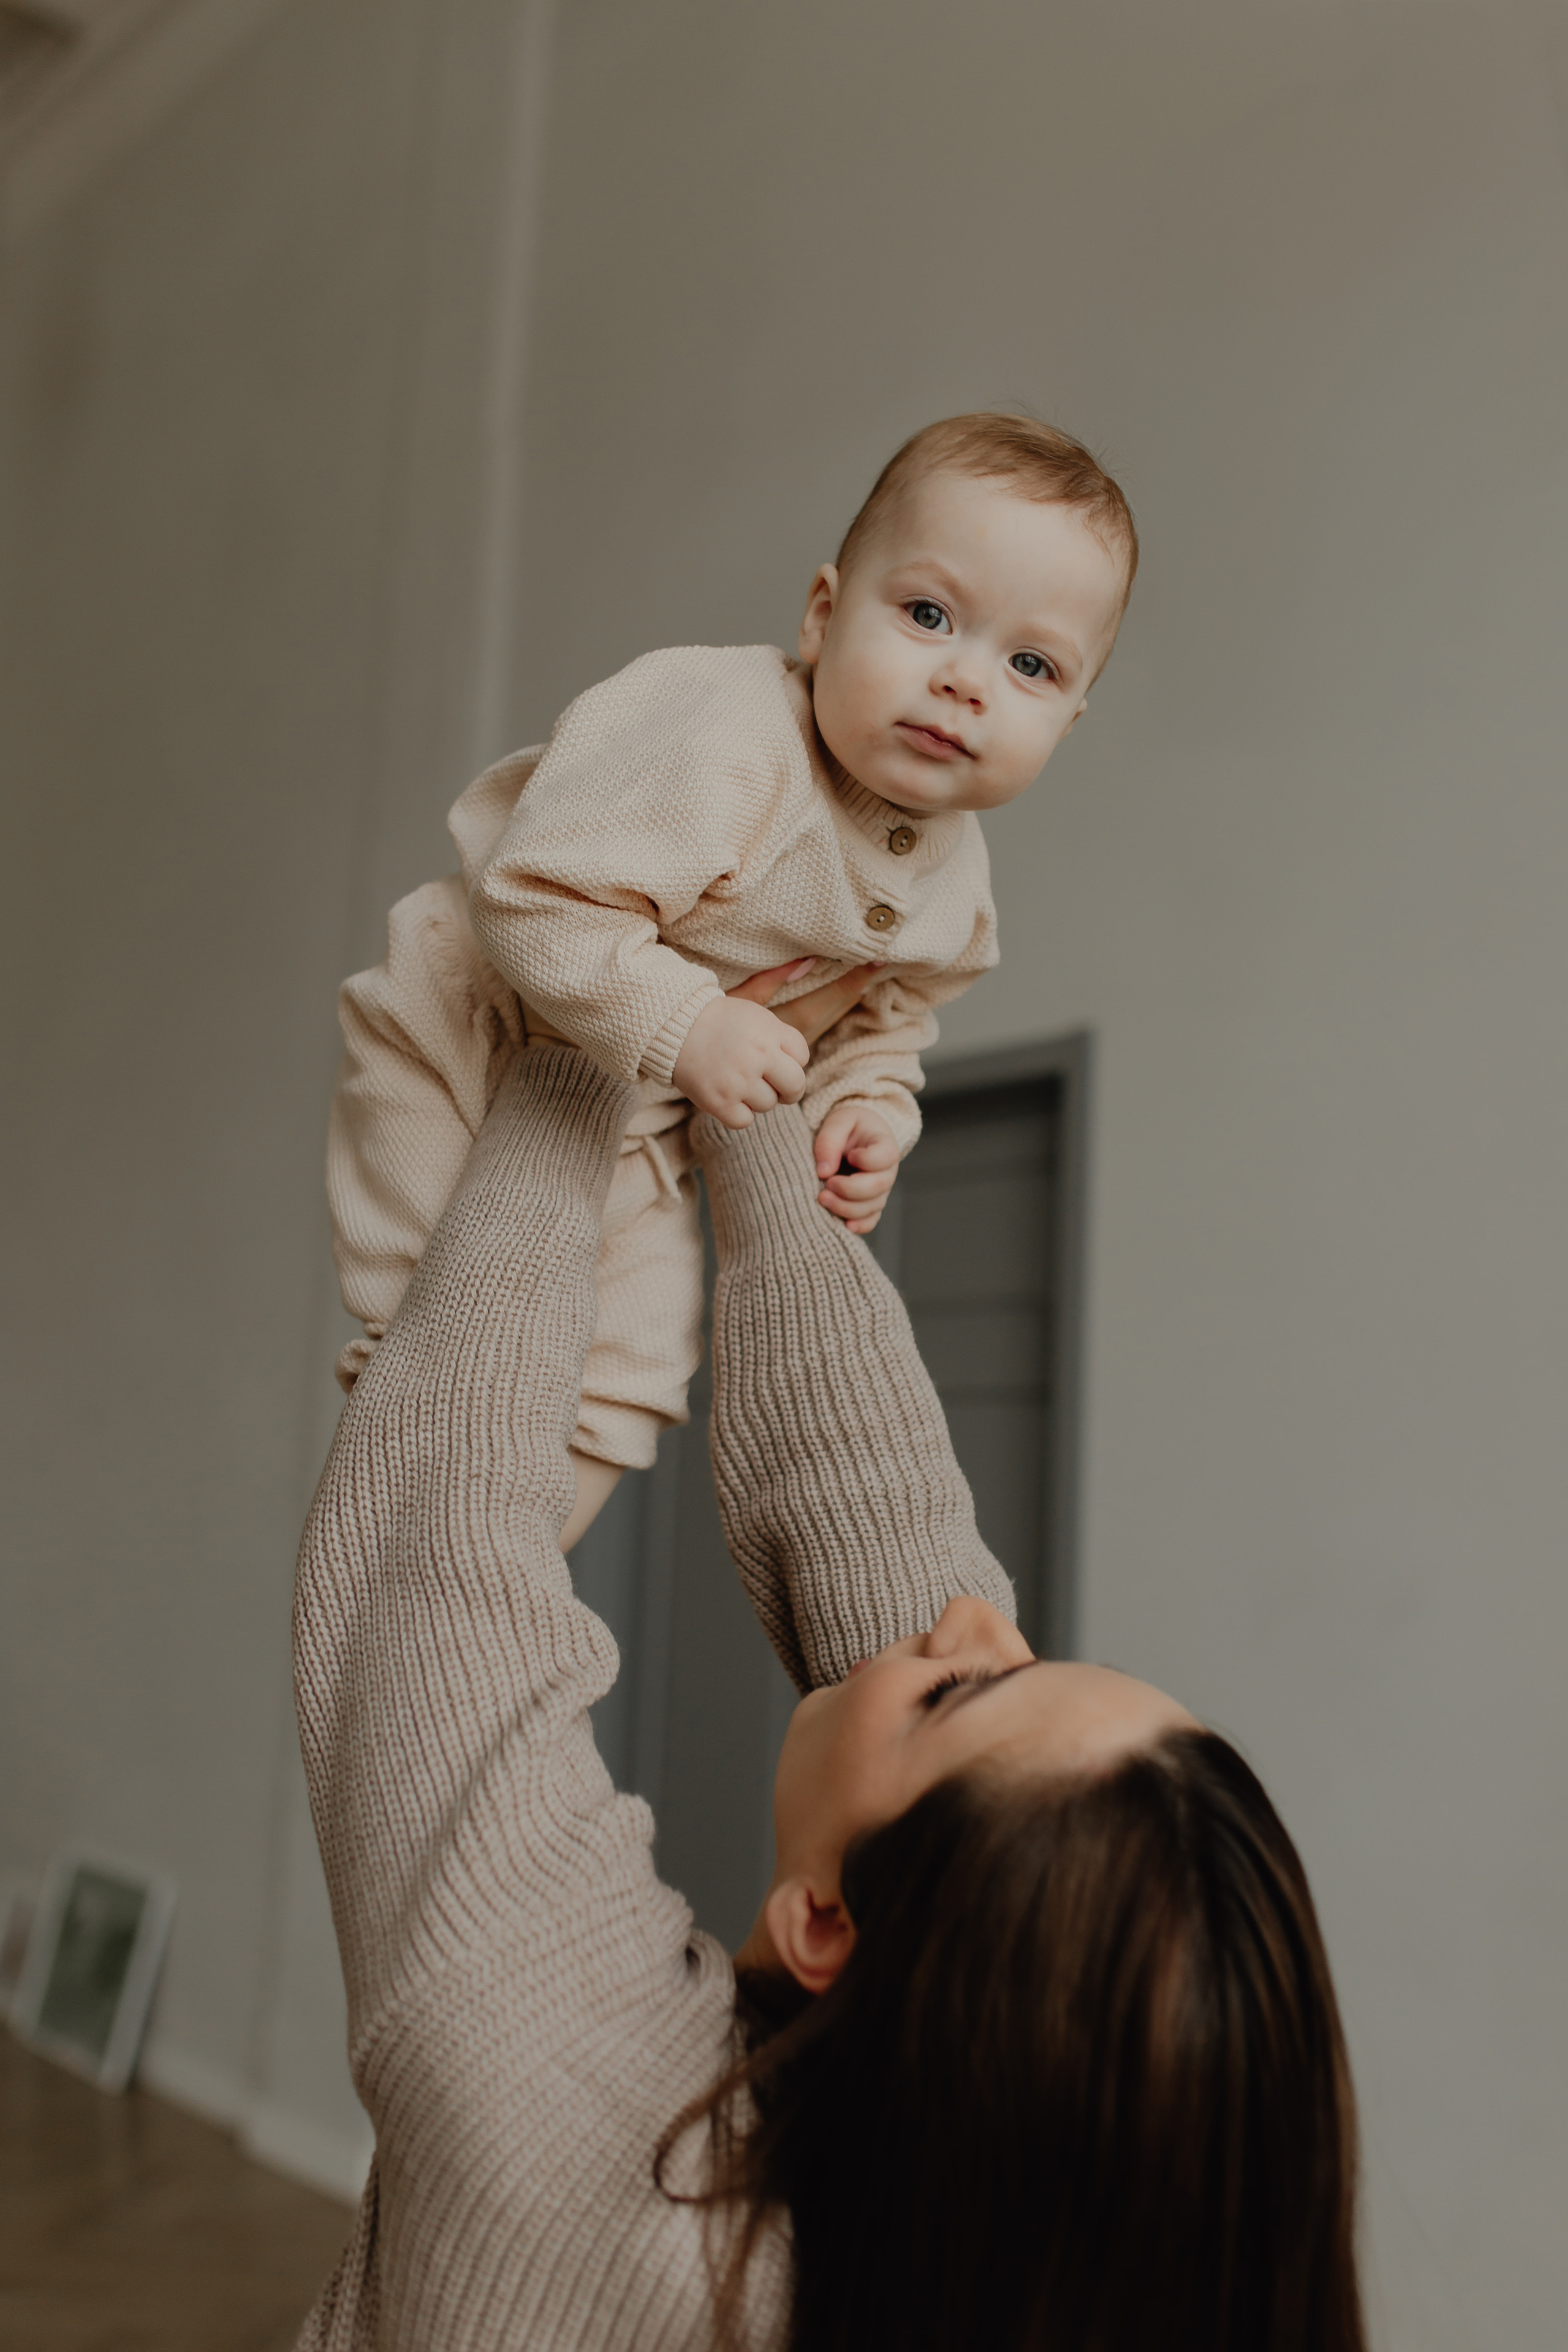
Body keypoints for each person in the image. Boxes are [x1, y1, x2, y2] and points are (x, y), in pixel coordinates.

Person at [295, 991, 1366, 2350]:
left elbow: (426, 1565)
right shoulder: (997, 2238)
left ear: (826, 1927)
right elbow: (878, 1523)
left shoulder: (589, 2147)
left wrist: (588, 1023)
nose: (974, 1621)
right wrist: (741, 1081)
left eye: (960, 1694)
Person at [325, 414, 1137, 1550]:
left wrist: (867, 1108)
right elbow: (532, 894)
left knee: (633, 1364)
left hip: (636, 1121)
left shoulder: (954, 885)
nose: (965, 681)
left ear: (1071, 715)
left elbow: (880, 1017)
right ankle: (393, 1536)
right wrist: (689, 1019)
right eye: (928, 615)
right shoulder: (723, 731)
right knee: (448, 1326)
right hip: (468, 1038)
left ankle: (492, 1573)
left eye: (1032, 665)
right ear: (823, 613)